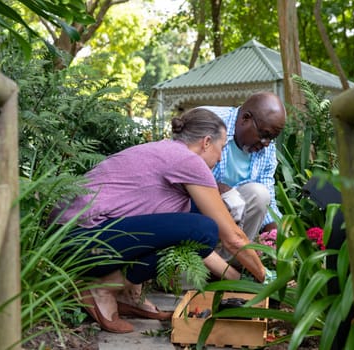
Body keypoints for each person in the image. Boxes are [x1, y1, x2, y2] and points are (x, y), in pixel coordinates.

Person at [50, 108, 267, 334]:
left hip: (67, 242)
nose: (221, 157)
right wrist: (265, 278)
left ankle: (130, 292)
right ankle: (103, 288)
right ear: (206, 142)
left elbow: (157, 223)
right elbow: (232, 238)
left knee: (196, 219)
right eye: (221, 148)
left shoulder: (162, 150)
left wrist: (234, 278)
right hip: (83, 241)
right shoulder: (189, 161)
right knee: (205, 229)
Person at [200, 92, 286, 260]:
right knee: (233, 199)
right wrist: (222, 190)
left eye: (272, 138)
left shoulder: (266, 149)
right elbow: (182, 169)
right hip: (198, 209)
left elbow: (267, 197)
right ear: (245, 118)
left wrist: (277, 238)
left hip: (233, 223)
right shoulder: (208, 121)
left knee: (260, 194)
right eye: (265, 135)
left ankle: (231, 263)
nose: (267, 143)